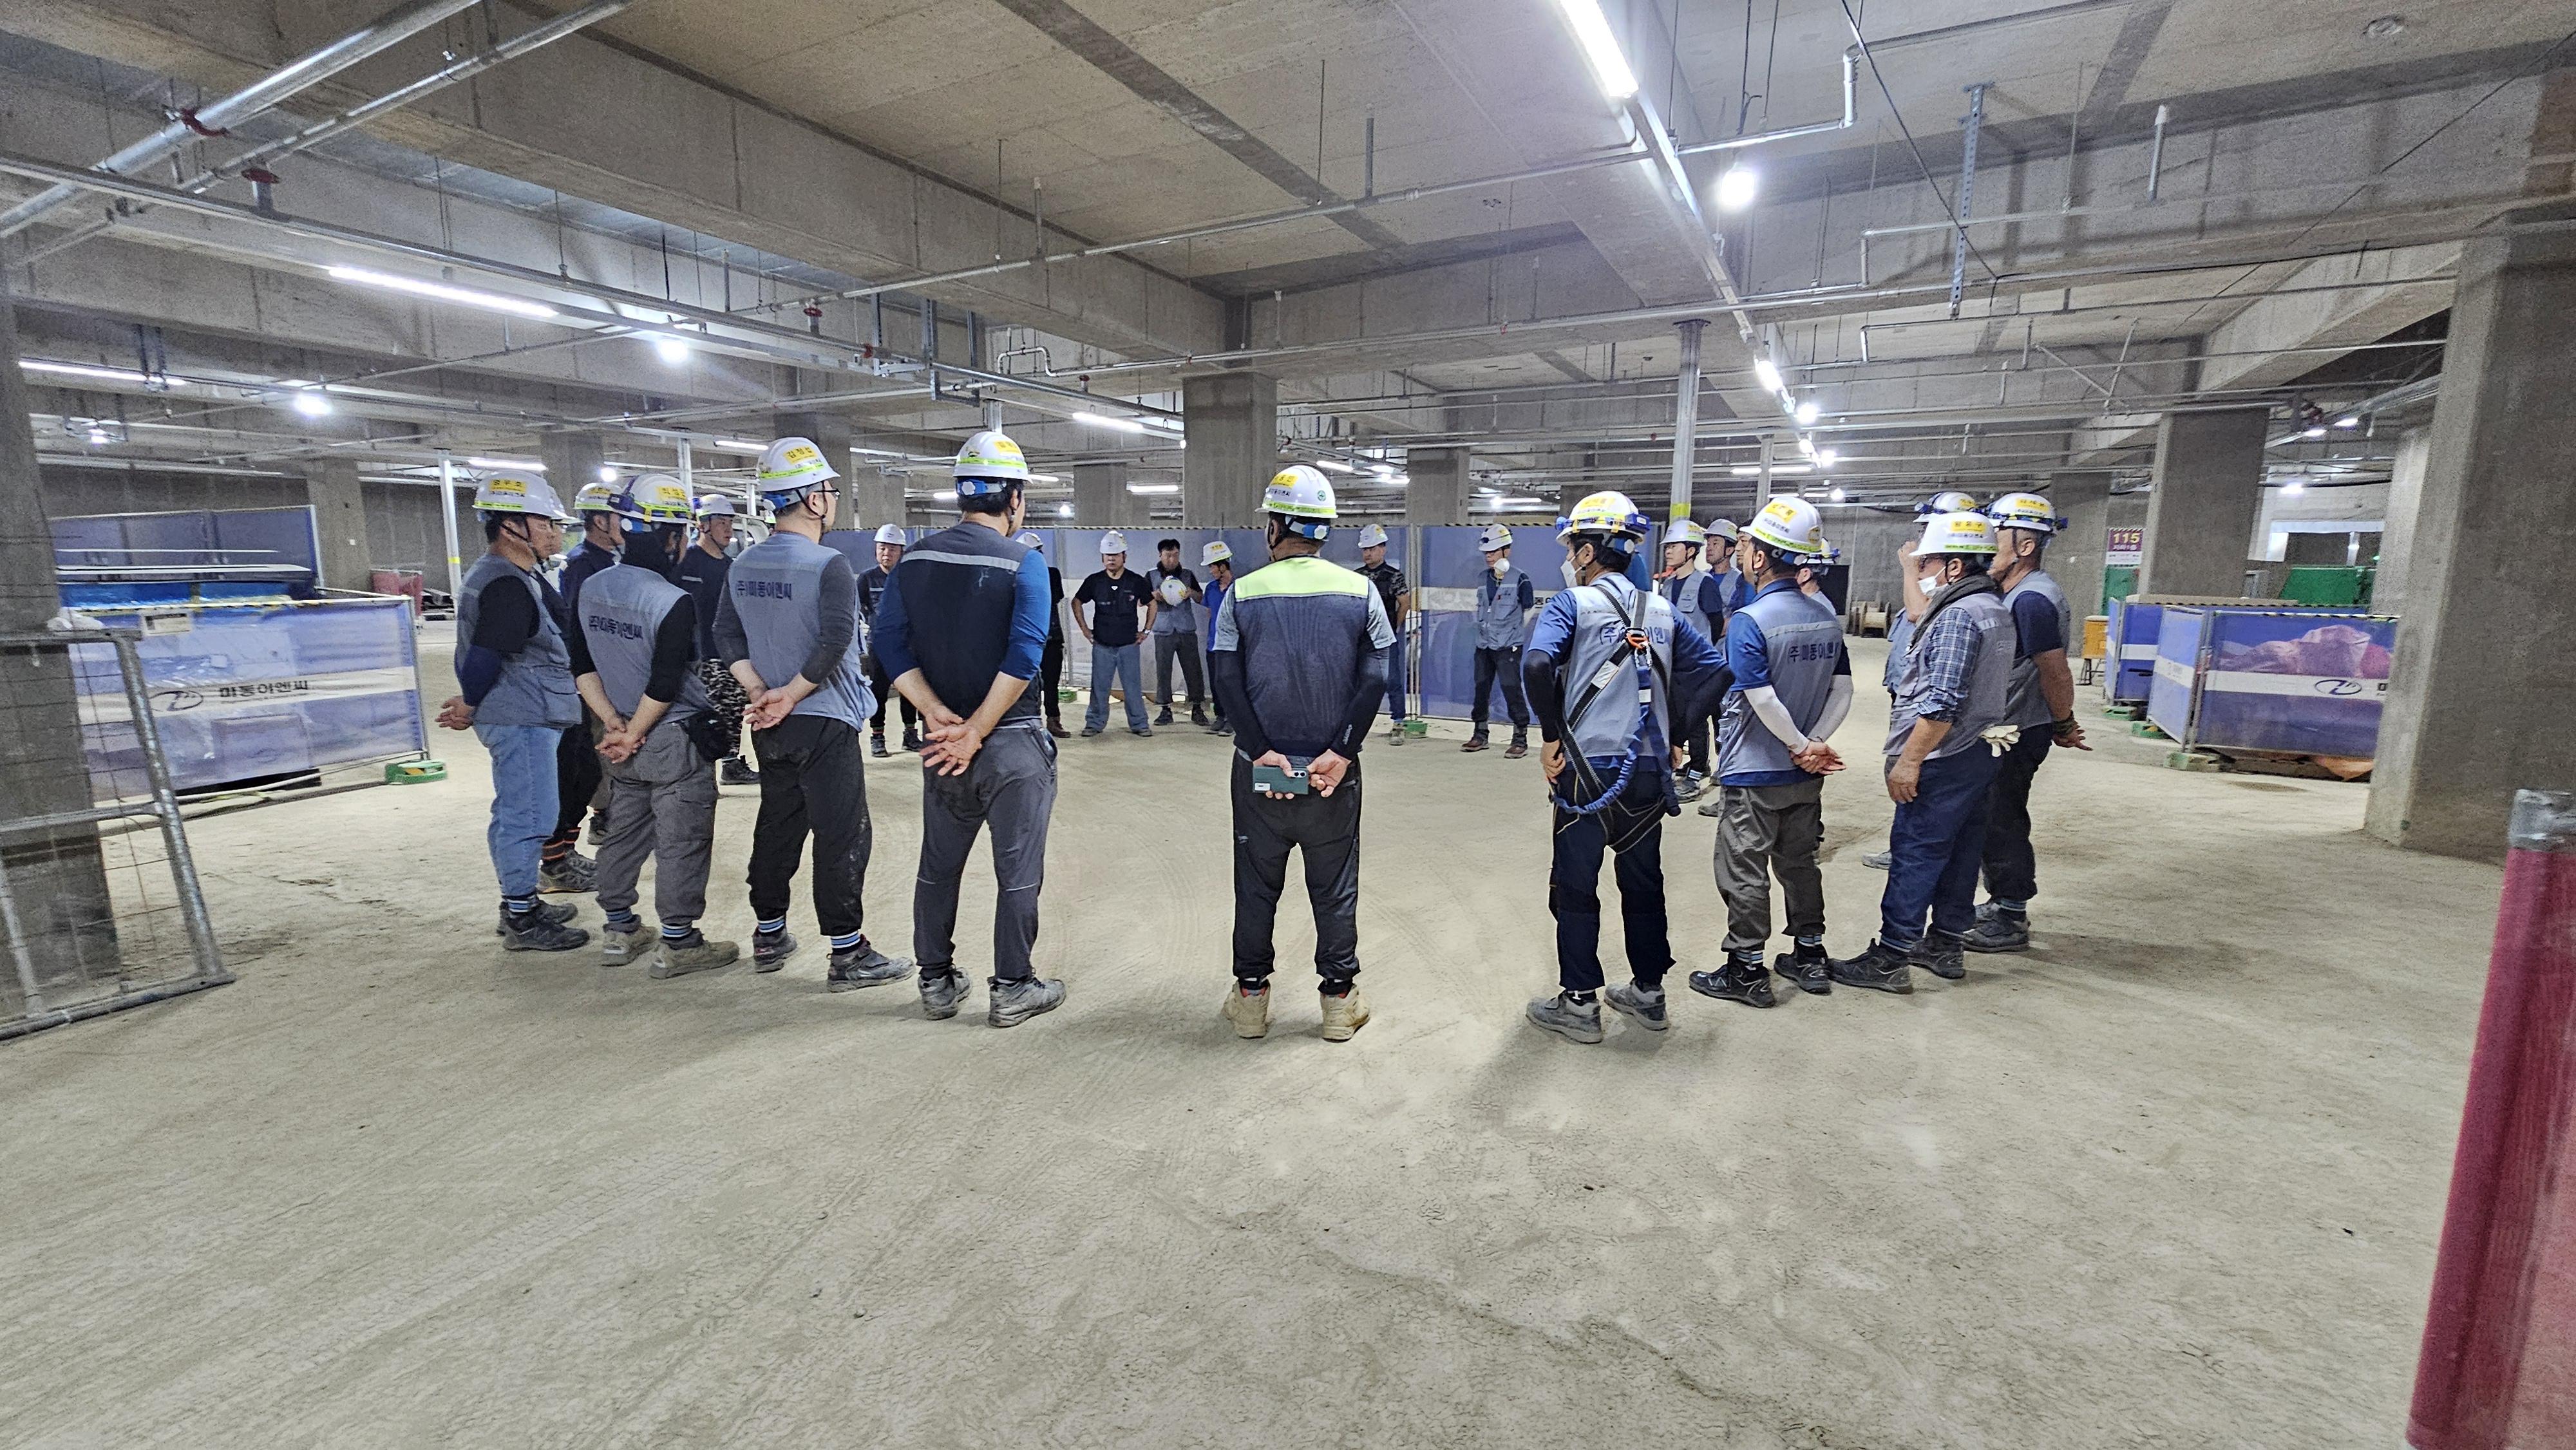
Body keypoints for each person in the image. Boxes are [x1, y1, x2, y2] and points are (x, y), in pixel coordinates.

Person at [1520, 491, 1729, 1045]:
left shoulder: (1571, 604)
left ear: (1589, 552)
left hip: (1587, 771)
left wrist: (1550, 738)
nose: (1570, 557)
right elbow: (1717, 673)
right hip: (1645, 769)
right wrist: (1676, 734)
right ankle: (1649, 993)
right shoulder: (1661, 610)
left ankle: (1580, 1003)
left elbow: (1537, 664)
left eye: (1573, 547)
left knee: (1575, 885)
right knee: (1643, 882)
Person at [875, 431, 1067, 1028]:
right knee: (1018, 872)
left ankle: (935, 981)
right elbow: (1025, 653)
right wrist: (978, 729)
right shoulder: (1024, 562)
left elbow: (888, 643)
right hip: (1011, 741)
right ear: (1014, 498)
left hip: (944, 744)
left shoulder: (914, 561)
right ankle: (1013, 987)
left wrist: (934, 712)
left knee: (938, 865)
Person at [715, 436, 911, 990]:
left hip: (771, 724)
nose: (833, 500)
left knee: (778, 825)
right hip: (824, 719)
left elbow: (725, 633)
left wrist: (762, 691)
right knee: (841, 833)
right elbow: (833, 642)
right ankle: (848, 953)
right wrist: (793, 694)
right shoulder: (829, 565)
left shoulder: (743, 564)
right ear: (813, 499)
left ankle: (769, 932)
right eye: (830, 491)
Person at [1209, 466, 1394, 1043]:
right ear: (1323, 530)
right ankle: (1338, 1002)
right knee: (1334, 884)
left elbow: (1225, 679)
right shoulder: (1361, 591)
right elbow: (1375, 677)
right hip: (1330, 777)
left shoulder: (1241, 593)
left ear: (1275, 527)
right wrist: (1342, 751)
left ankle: (1250, 1001)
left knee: (1255, 883)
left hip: (1263, 774)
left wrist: (1259, 750)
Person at [1830, 510, 2018, 993]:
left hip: (1943, 755)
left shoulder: (1957, 616)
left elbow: (1942, 703)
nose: (1921, 572)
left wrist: (1910, 760)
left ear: (1953, 567)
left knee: (1917, 851)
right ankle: (1945, 944)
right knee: (1962, 851)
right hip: (1978, 752)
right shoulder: (1994, 608)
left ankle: (1891, 957)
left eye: (1926, 563)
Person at [572, 475, 740, 979]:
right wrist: (636, 732)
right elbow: (665, 684)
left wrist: (615, 725)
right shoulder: (670, 599)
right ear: (673, 536)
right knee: (681, 839)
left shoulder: (591, 588)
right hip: (669, 740)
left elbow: (582, 665)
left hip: (620, 737)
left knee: (624, 832)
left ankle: (619, 930)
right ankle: (680, 942)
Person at [1687, 498, 1852, 1006]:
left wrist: (1799, 745)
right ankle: (1810, 954)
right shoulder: (1825, 617)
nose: (1743, 554)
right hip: (1804, 776)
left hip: (1756, 771)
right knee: (1800, 864)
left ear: (1760, 558)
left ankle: (1747, 969)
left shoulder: (1750, 620)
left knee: (1745, 868)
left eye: (1747, 547)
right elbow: (1843, 688)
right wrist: (1815, 745)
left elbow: (1761, 698)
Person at [435, 469, 589, 952]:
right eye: (545, 523)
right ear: (510, 527)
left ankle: (520, 902)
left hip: (527, 710)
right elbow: (487, 654)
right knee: (529, 815)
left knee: (515, 812)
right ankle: (522, 918)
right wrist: (470, 703)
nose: (555, 533)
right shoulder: (505, 583)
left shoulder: (517, 575)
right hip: (521, 715)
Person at [1965, 493, 2090, 952]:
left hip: (2017, 729)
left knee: (2003, 818)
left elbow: (2055, 671)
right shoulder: (2015, 592)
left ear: (2025, 546)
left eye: (1996, 536)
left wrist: (2064, 723)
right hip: (2008, 725)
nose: (1987, 546)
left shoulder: (2033, 600)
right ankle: (2001, 900)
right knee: (1991, 815)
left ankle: (2011, 913)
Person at [1863, 491, 1978, 868]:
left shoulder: (1949, 580)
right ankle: (1907, 845)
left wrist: (1910, 568)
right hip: (1909, 690)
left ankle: (1911, 851)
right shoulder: (1939, 571)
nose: (1923, 537)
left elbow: (1918, 612)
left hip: (1928, 701)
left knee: (1912, 775)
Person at [539, 480, 624, 892]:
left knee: (590, 769)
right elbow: (581, 628)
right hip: (587, 681)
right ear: (600, 520)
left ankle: (567, 850)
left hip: (607, 675)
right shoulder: (582, 565)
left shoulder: (612, 561)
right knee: (582, 766)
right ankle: (559, 858)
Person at [674, 493, 759, 786]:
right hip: (699, 655)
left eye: (730, 523)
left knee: (734, 710)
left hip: (730, 655)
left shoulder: (732, 566)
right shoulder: (687, 563)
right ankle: (707, 768)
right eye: (722, 522)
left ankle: (731, 762)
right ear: (704, 525)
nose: (728, 529)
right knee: (708, 713)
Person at [1658, 520, 1734, 798]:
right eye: (1667, 547)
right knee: (1678, 717)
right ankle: (1687, 764)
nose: (1668, 551)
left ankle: (1696, 772)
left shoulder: (1705, 584)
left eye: (1674, 547)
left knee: (1698, 720)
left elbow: (1715, 623)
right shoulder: (1667, 585)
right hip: (1673, 666)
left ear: (1691, 551)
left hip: (1699, 667)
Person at [1074, 531, 1155, 737]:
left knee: (1133, 688)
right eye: (1108, 555)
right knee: (1099, 687)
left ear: (1124, 557)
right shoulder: (1094, 581)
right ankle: (1094, 723)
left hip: (1129, 645)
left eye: (1116, 555)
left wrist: (1146, 631)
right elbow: (1077, 602)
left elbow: (1152, 604)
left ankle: (1140, 724)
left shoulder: (1136, 581)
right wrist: (1085, 630)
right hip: (1102, 645)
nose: (1111, 559)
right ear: (1102, 557)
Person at [1463, 522, 1534, 757]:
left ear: (1507, 551)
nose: (1488, 557)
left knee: (1511, 687)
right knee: (1481, 687)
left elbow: (1528, 609)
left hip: (1508, 645)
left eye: (1493, 552)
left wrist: (1515, 634)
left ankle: (1520, 737)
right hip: (1484, 644)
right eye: (1486, 553)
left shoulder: (1520, 579)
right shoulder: (1482, 578)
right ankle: (1480, 733)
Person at [856, 523, 921, 758]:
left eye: (892, 549)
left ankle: (910, 734)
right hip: (879, 646)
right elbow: (858, 609)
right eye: (882, 548)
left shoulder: (909, 578)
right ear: (876, 550)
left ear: (901, 551)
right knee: (879, 692)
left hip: (907, 644)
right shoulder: (867, 579)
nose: (887, 553)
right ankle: (877, 737)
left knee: (910, 691)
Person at [1356, 523, 1410, 746]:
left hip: (1386, 638)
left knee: (1393, 680)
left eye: (1372, 549)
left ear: (1383, 549)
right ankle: (1355, 727)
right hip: (1362, 637)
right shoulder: (1357, 577)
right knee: (1359, 683)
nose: (1368, 553)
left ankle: (1398, 723)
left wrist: (1394, 627)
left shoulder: (1394, 576)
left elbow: (1405, 603)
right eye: (1365, 549)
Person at [1145, 537, 1209, 728]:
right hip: (1163, 630)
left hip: (1186, 629)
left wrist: (1191, 593)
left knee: (1193, 669)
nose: (1172, 559)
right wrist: (1153, 596)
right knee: (1163, 671)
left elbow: (1201, 598)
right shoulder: (1151, 576)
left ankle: (1197, 708)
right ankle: (1165, 710)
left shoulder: (1188, 575)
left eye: (1175, 555)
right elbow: (1141, 600)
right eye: (1168, 555)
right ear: (1160, 555)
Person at [1016, 531, 1072, 739]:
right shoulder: (1014, 576)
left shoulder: (1052, 574)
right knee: (1024, 684)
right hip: (1025, 640)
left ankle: (1053, 720)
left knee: (1051, 683)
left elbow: (1052, 597)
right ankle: (1029, 723)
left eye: (1038, 552)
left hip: (1051, 638)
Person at [1201, 540, 1236, 735]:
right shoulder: (1211, 588)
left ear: (1223, 566)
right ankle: (1220, 716)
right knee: (1216, 684)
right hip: (1213, 645)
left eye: (1212, 567)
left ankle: (1233, 719)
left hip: (1232, 646)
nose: (1211, 571)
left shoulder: (1238, 588)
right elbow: (1210, 613)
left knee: (1231, 684)